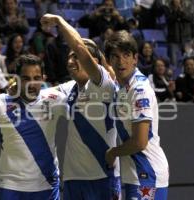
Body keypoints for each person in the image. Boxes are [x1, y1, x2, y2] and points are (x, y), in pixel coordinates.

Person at [0, 54, 65, 200]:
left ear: (43, 78)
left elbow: (81, 89)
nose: (31, 84)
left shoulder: (54, 99)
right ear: (16, 79)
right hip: (12, 186)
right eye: (26, 78)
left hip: (47, 185)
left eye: (36, 78)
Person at [41, 14, 121, 200]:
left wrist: (60, 22)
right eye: (69, 58)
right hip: (72, 178)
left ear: (93, 61)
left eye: (76, 57)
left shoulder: (104, 85)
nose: (70, 62)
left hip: (103, 177)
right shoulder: (68, 89)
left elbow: (80, 47)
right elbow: (34, 94)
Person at [104, 30, 169, 200]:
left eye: (126, 55)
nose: (121, 61)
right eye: (115, 57)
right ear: (110, 61)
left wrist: (112, 153)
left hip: (147, 173)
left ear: (135, 58)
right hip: (136, 174)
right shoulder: (122, 86)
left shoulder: (139, 90)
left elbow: (140, 142)